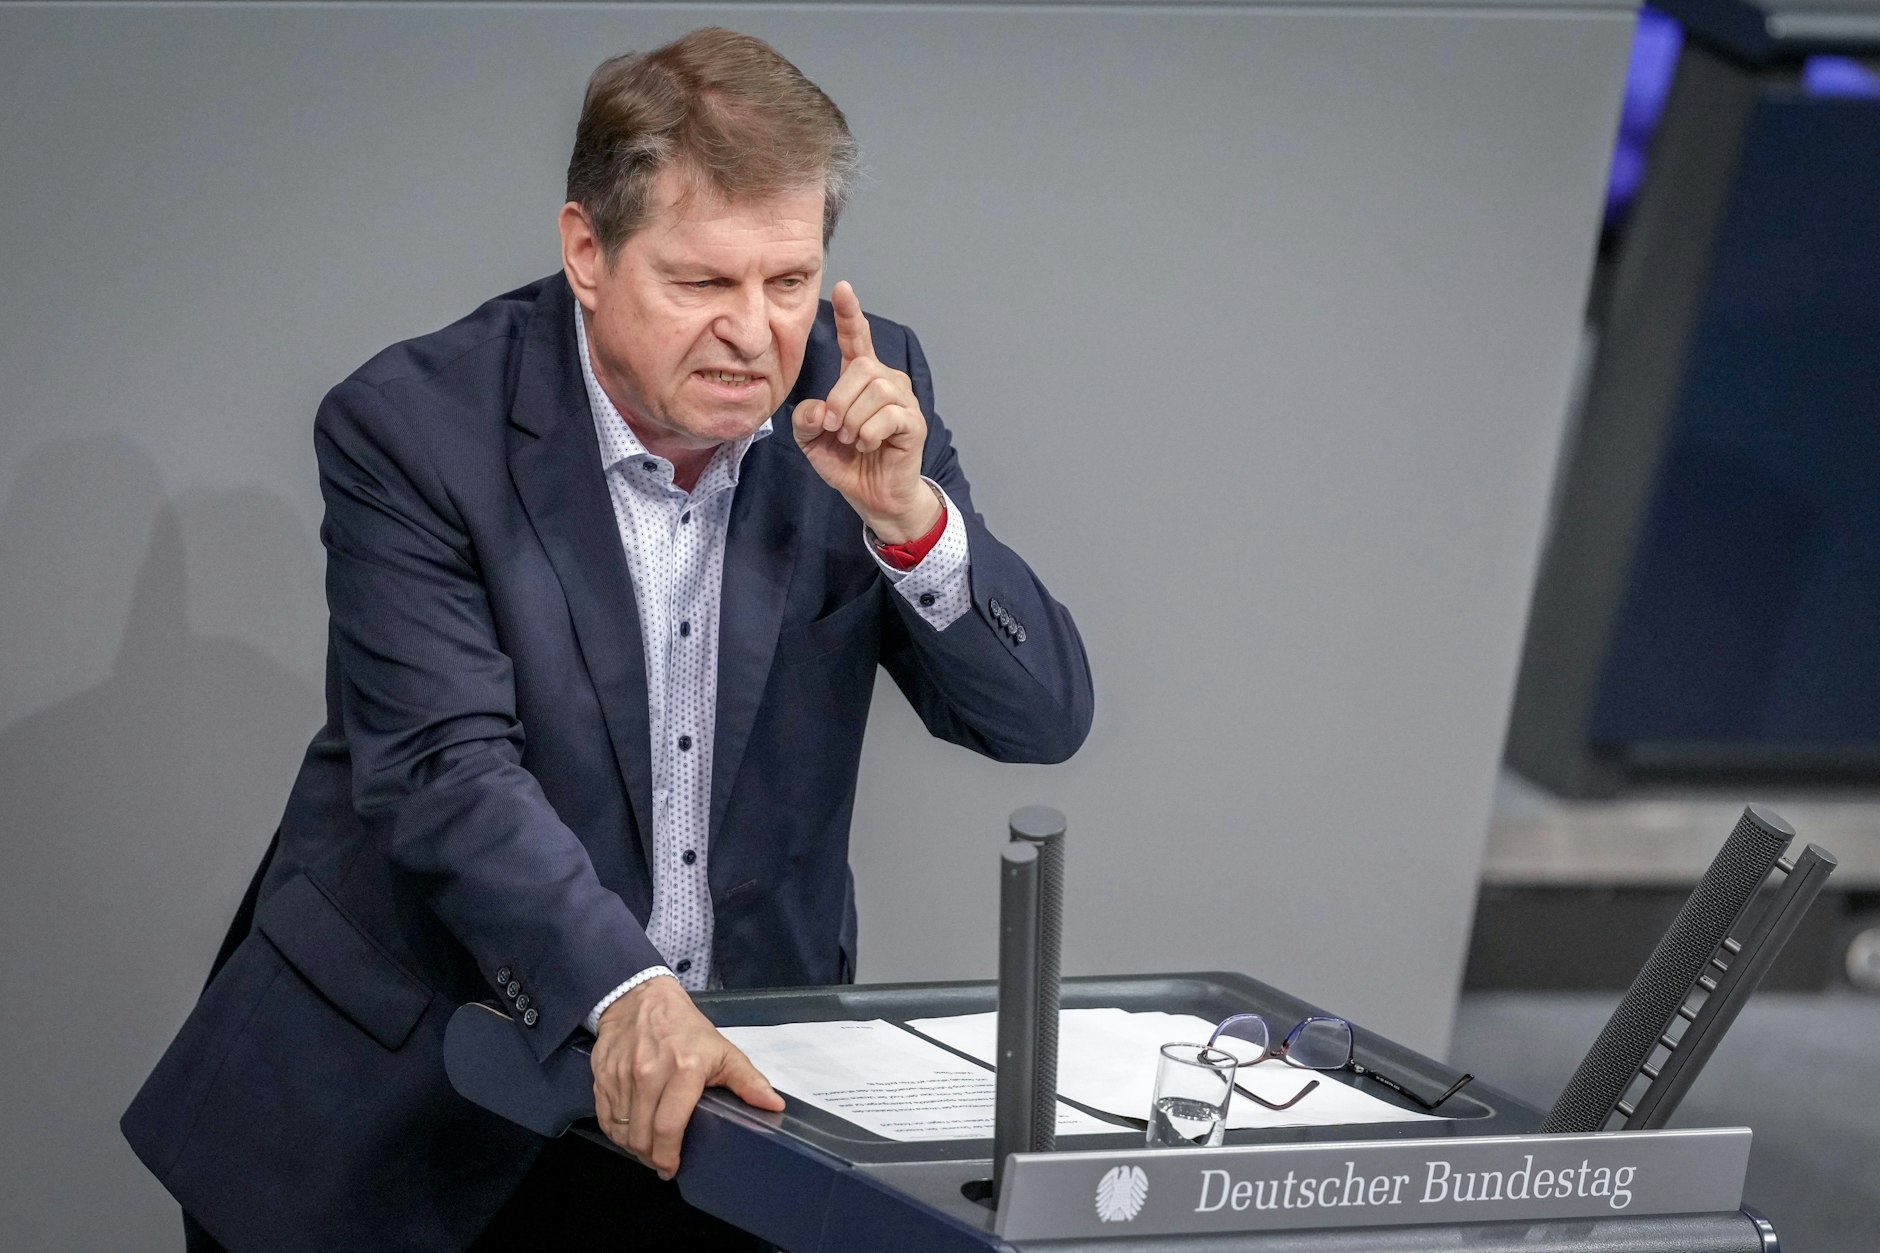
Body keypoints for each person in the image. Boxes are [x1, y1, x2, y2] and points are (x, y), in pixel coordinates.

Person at [121, 26, 1093, 1253]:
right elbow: (444, 771)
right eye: (701, 283)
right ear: (586, 250)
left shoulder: (860, 386)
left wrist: (910, 520)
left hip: (712, 1120)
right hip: (406, 1104)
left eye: (789, 280)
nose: (755, 332)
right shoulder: (414, 427)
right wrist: (625, 990)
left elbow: (1039, 718)